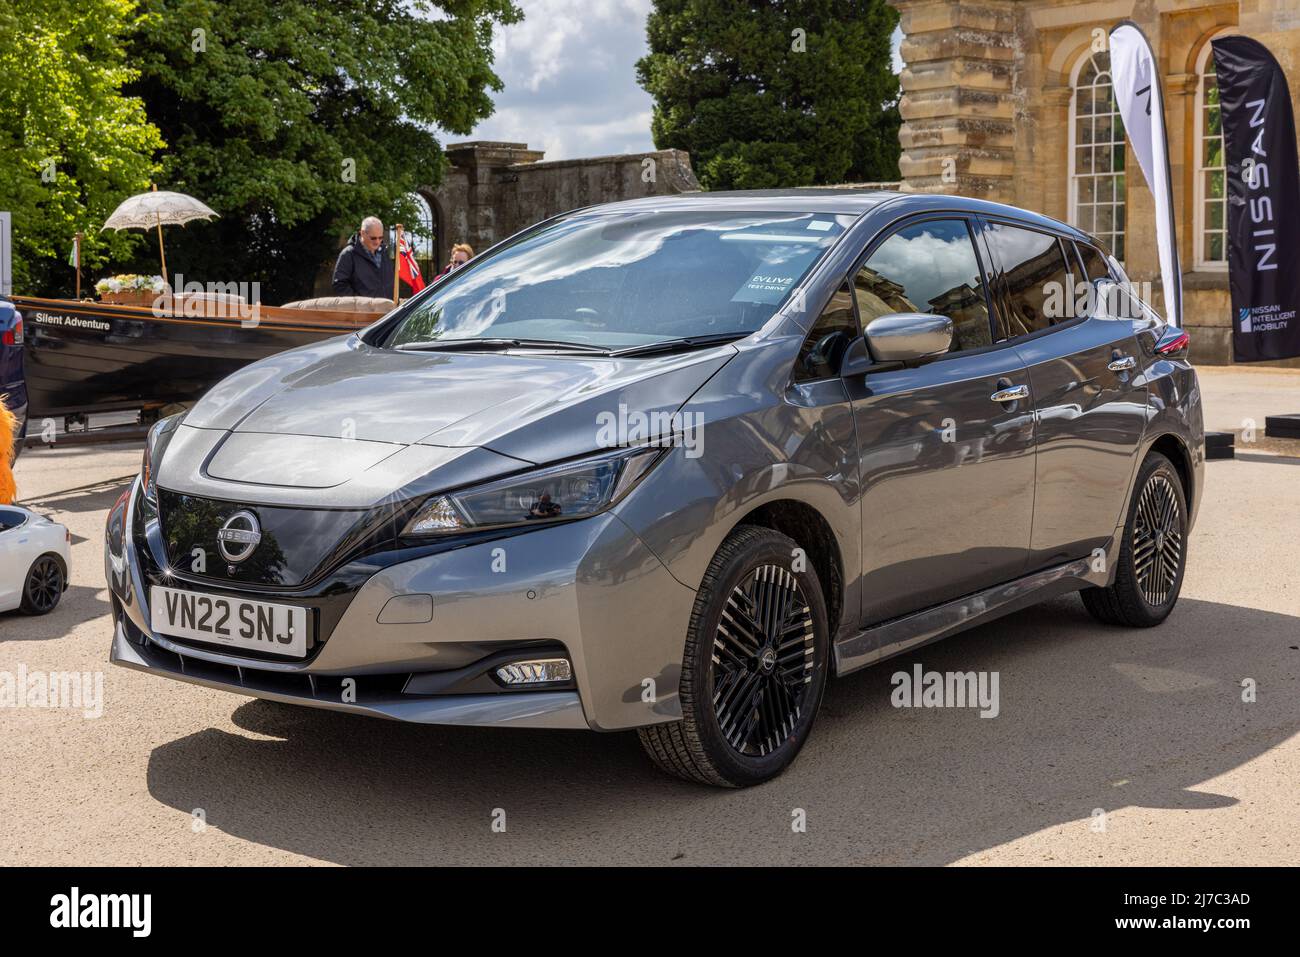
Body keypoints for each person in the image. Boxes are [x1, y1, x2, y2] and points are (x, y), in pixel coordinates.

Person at [333, 217, 396, 298]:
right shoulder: (348, 254)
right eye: (373, 238)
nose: (377, 242)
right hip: (361, 309)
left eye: (380, 238)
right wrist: (360, 304)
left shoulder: (385, 253)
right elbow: (339, 285)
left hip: (388, 309)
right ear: (362, 233)